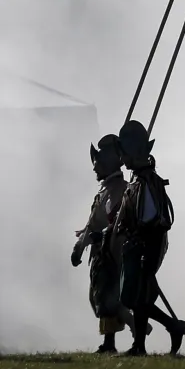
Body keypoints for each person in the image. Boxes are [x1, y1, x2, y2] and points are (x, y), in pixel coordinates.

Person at [107, 120, 185, 356]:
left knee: (138, 296)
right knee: (135, 297)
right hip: (136, 243)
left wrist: (144, 249)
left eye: (125, 153)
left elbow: (153, 220)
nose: (122, 159)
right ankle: (164, 332)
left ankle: (151, 339)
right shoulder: (137, 181)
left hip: (146, 243)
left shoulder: (147, 182)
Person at [71, 134, 140, 353]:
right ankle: (113, 341)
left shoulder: (119, 188)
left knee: (108, 298)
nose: (94, 169)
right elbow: (95, 221)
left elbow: (115, 222)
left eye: (98, 163)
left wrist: (95, 238)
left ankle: (133, 330)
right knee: (101, 298)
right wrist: (82, 241)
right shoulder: (107, 188)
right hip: (103, 251)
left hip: (112, 252)